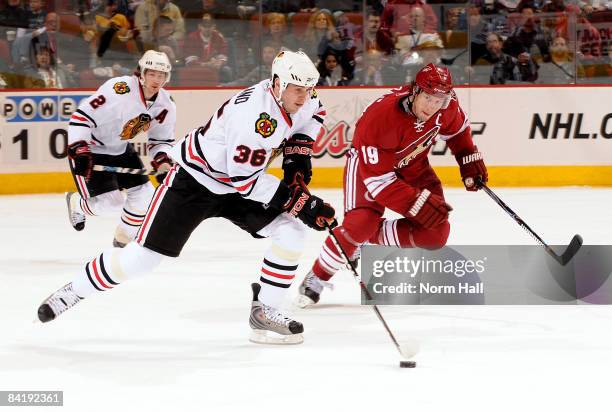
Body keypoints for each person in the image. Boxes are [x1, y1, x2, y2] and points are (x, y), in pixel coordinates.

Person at [37, 50, 336, 346]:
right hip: (195, 181)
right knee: (142, 259)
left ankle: (265, 311)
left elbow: (316, 113)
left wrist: (298, 153)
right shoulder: (254, 118)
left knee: (291, 231)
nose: (304, 97)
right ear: (278, 84)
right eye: (298, 90)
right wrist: (300, 202)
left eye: (309, 89)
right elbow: (245, 182)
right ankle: (73, 290)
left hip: (234, 183)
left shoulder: (302, 99)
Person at [295, 63, 488, 307]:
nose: (432, 106)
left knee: (435, 233)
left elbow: (458, 131)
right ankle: (318, 276)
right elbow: (380, 183)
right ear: (415, 91)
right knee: (361, 223)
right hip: (369, 168)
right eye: (428, 97)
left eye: (438, 100)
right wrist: (415, 204)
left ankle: (359, 239)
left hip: (413, 167)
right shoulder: (380, 116)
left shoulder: (445, 106)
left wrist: (467, 158)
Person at [63, 50, 176, 248]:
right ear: (141, 73)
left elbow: (161, 140)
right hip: (92, 148)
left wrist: (163, 161)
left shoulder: (166, 105)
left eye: (161, 75)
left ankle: (122, 242)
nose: (156, 79)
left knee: (145, 197)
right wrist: (80, 149)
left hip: (121, 148)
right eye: (152, 74)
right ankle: (77, 204)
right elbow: (81, 118)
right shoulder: (119, 88)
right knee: (111, 204)